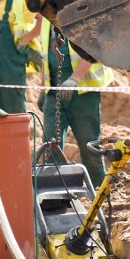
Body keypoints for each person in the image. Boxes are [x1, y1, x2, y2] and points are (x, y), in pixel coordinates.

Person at [39, 21, 114, 188]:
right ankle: (54, 191)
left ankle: (99, 190)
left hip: (83, 93)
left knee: (89, 147)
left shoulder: (81, 15)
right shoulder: (46, 20)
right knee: (50, 145)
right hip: (54, 91)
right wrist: (43, 90)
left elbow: (92, 52)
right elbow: (44, 55)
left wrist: (74, 79)